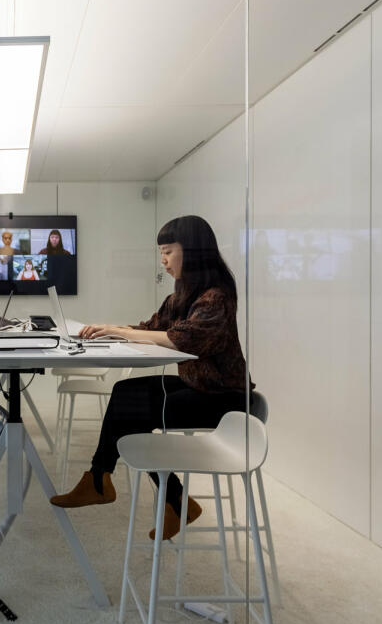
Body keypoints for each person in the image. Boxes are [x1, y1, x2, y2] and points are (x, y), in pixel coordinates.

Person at [50, 215, 254, 541]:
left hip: (224, 399)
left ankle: (108, 482)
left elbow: (181, 339)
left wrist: (118, 331)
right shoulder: (184, 295)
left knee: (132, 408)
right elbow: (152, 328)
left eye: (168, 251)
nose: (163, 260)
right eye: (161, 252)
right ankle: (158, 496)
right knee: (126, 393)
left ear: (193, 251)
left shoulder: (216, 297)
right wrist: (108, 330)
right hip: (199, 387)